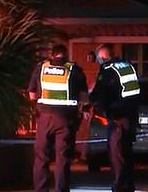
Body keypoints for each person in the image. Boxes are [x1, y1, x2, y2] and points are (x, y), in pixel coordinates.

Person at [27, 44, 89, 192]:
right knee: (63, 157)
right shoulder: (75, 70)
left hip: (45, 118)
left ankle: (40, 189)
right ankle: (61, 189)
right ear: (66, 55)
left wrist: (39, 108)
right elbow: (84, 97)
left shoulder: (41, 68)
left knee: (41, 157)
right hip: (66, 119)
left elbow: (31, 94)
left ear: (52, 55)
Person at [89, 44, 141, 192]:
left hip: (118, 117)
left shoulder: (107, 69)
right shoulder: (128, 66)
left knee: (117, 154)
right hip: (131, 116)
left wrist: (89, 101)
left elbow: (99, 93)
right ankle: (129, 185)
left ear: (102, 57)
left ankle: (120, 185)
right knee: (127, 152)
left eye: (99, 59)